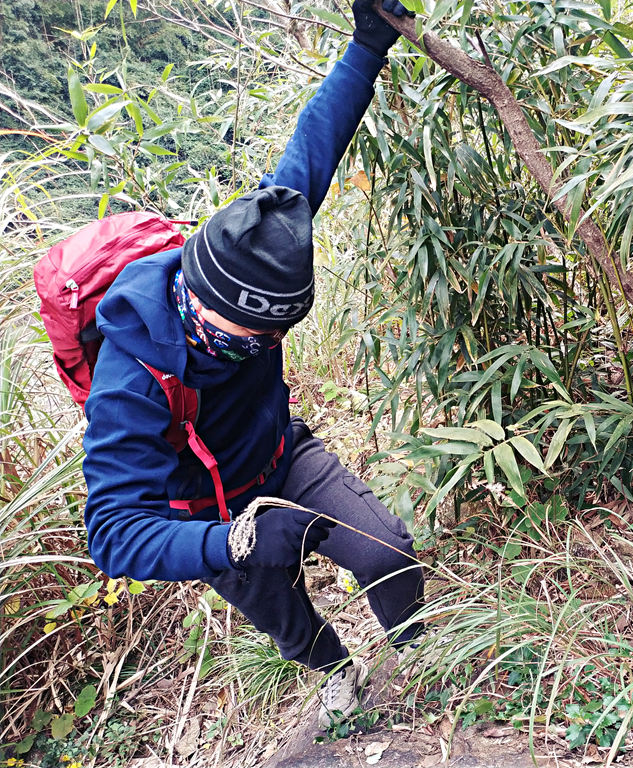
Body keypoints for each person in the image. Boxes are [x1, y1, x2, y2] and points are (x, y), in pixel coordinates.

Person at [80, 0, 422, 730]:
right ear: (192, 298)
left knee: (387, 550)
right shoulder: (130, 378)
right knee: (288, 618)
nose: (255, 350)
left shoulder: (259, 240)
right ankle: (338, 675)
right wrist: (228, 540)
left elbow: (312, 151)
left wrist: (368, 47)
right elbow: (110, 530)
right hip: (204, 514)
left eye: (272, 337)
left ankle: (421, 655)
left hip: (281, 458)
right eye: (239, 340)